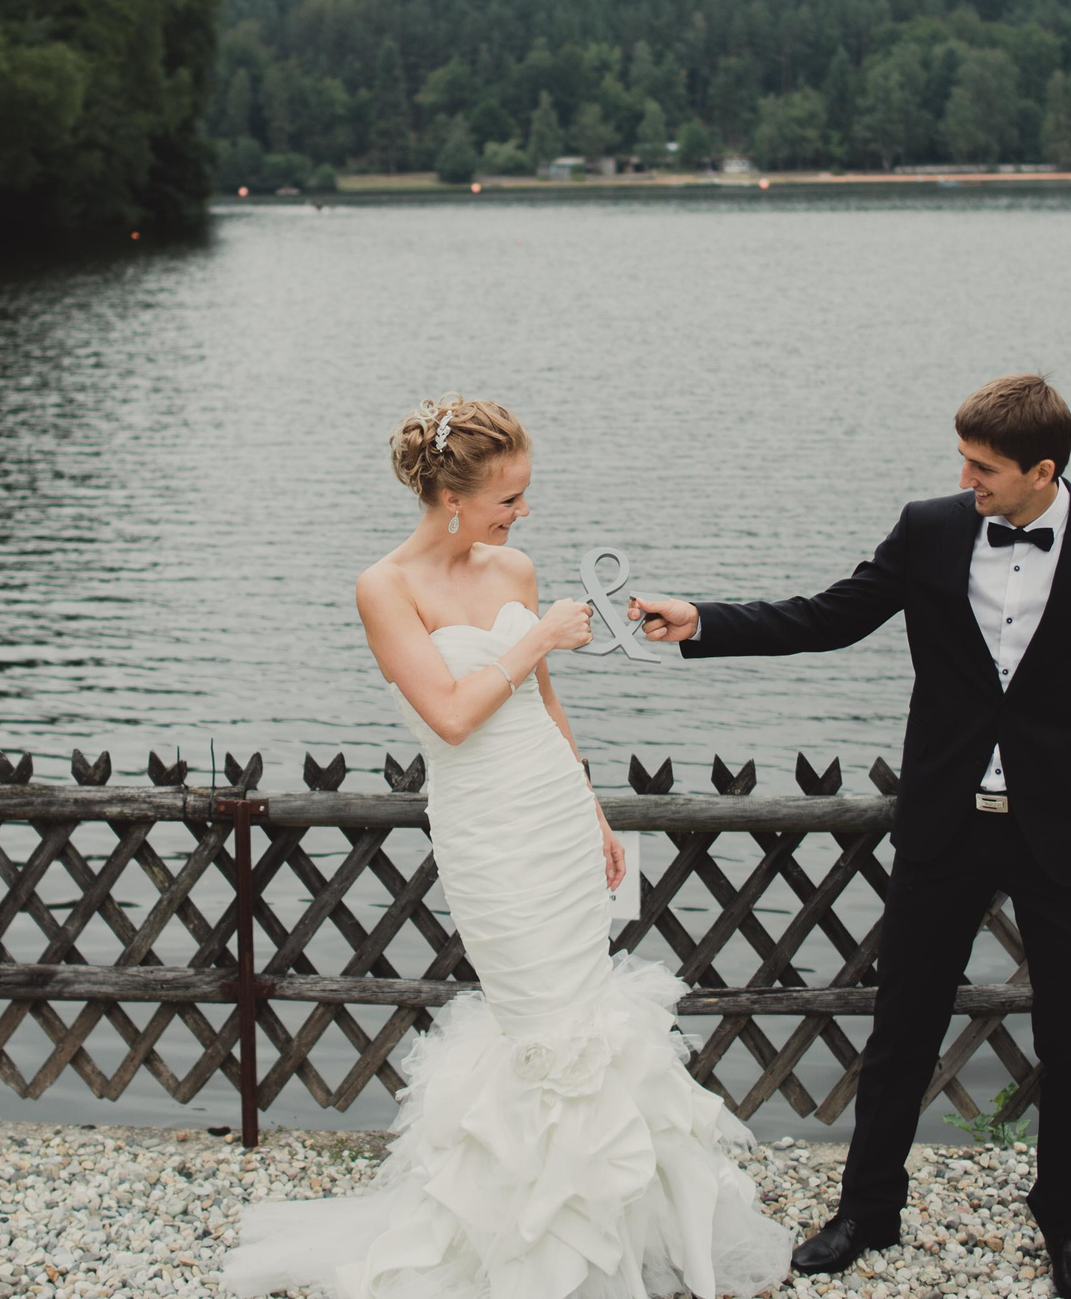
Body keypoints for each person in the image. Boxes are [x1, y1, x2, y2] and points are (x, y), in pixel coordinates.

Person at [631, 374, 1071, 1299]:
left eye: (984, 466)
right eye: (963, 460)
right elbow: (831, 617)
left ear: (1042, 470)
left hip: (1066, 833)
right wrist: (704, 623)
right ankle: (866, 1212)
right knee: (902, 1027)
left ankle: (1067, 1229)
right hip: (946, 823)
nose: (965, 477)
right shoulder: (929, 528)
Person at [220, 395, 791, 1299]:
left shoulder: (515, 568)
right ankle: (522, 1247)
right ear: (452, 497)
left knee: (590, 1006)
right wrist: (537, 641)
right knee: (536, 1017)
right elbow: (447, 716)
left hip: (552, 805)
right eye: (507, 499)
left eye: (523, 496)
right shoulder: (387, 587)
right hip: (485, 821)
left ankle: (618, 1233)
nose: (521, 514)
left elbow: (544, 706)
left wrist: (593, 809)